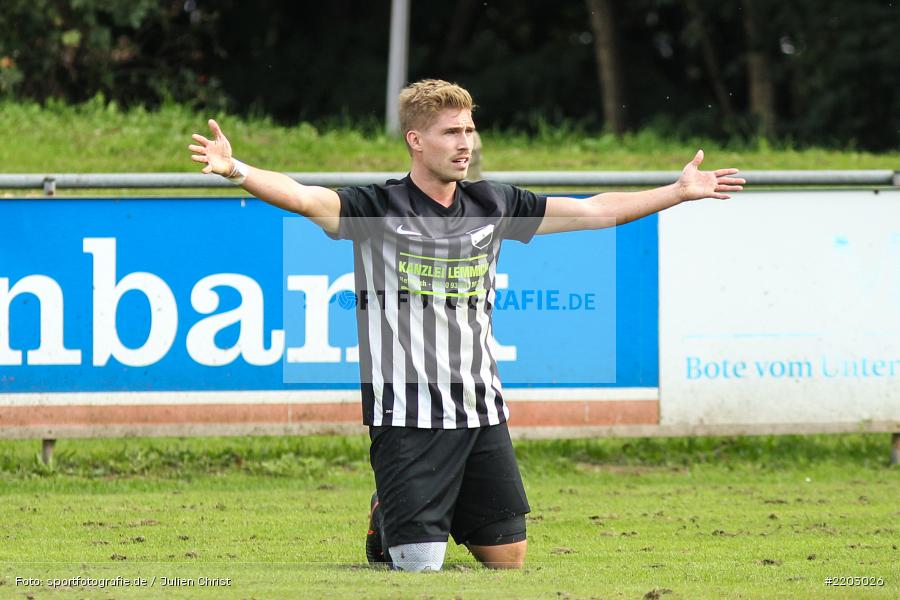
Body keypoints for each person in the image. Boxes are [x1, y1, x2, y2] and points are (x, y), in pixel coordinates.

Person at [188, 79, 744, 572]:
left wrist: (676, 193)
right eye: (451, 132)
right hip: (405, 412)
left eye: (470, 130)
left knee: (508, 559)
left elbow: (593, 211)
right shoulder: (378, 207)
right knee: (419, 568)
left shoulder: (492, 203)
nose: (465, 144)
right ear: (415, 140)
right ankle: (389, 515)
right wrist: (236, 169)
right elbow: (305, 197)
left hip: (479, 407)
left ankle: (434, 506)